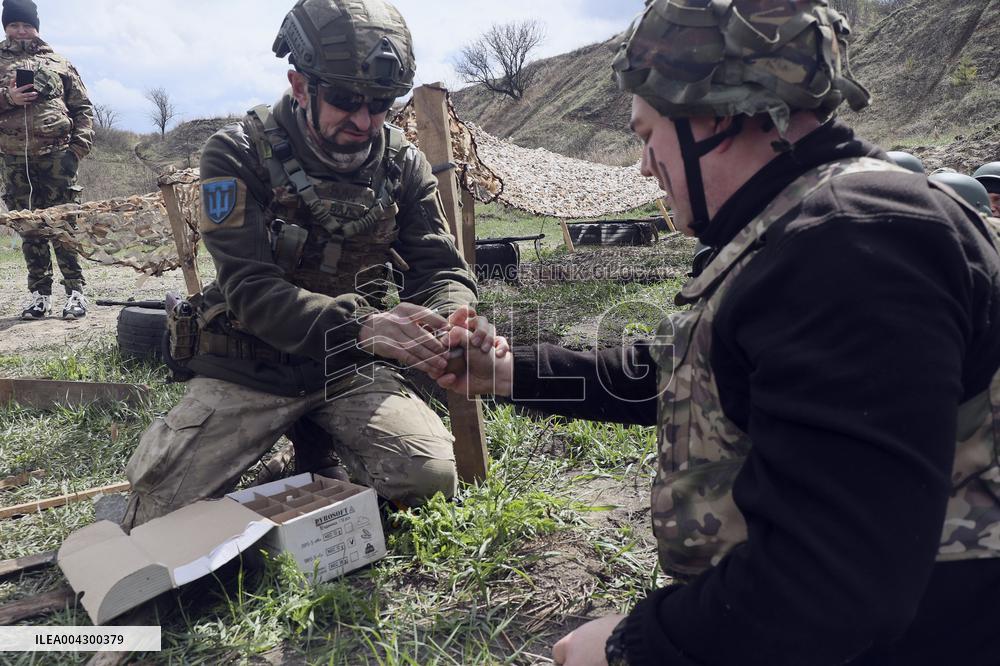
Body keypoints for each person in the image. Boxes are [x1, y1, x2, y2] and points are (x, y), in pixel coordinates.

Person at [433, 1, 1000, 664]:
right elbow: (700, 377)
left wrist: (631, 647)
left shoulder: (851, 244)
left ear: (718, 114)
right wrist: (510, 372)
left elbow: (834, 585)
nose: (645, 166)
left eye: (649, 135)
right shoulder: (810, 226)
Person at [122, 0, 493, 529]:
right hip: (253, 362)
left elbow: (440, 267)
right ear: (300, 86)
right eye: (345, 100)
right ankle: (276, 447)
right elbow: (250, 288)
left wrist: (455, 318)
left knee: (427, 481)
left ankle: (318, 440)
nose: (364, 120)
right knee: (155, 517)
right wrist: (363, 326)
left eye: (382, 103)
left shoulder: (402, 163)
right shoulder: (237, 153)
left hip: (346, 366)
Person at [0, 0, 93, 320]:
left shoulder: (60, 62)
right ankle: (40, 295)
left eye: (26, 25)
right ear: (5, 26)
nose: (20, 31)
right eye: (14, 25)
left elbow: (83, 108)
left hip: (58, 158)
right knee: (29, 227)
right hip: (14, 161)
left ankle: (76, 292)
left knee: (63, 225)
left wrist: (77, 150)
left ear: (36, 27)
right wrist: (7, 98)